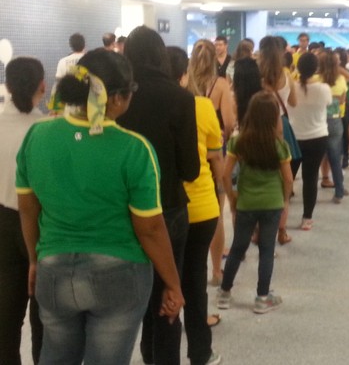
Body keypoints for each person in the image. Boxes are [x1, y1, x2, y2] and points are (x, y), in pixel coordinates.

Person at [17, 50, 184, 365]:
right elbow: (149, 228)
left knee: (55, 357)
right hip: (119, 275)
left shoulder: (37, 136)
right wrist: (174, 283)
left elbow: (28, 209)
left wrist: (34, 260)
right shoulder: (135, 149)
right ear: (117, 99)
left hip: (53, 267)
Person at [117, 25, 200, 365]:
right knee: (167, 295)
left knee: (126, 300)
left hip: (122, 212)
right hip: (168, 209)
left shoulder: (119, 97)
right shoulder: (180, 97)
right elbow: (190, 169)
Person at [168, 46, 223, 365]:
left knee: (166, 283)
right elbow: (216, 157)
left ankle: (162, 352)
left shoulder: (149, 107)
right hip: (202, 207)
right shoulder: (201, 106)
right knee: (195, 281)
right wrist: (222, 190)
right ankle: (200, 353)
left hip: (166, 210)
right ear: (185, 74)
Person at [217, 91, 293, 313]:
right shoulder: (280, 146)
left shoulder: (238, 142)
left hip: (246, 203)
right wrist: (285, 200)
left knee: (238, 248)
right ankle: (262, 297)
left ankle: (224, 292)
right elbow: (288, 178)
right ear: (274, 118)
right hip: (272, 204)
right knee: (267, 249)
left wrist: (232, 198)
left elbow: (225, 174)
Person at [0, 57, 45, 365]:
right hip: (43, 225)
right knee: (45, 316)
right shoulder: (49, 131)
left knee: (5, 316)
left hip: (3, 224)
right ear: (43, 86)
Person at [187, 39, 235, 287]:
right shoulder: (221, 85)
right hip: (214, 151)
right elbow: (227, 120)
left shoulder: (183, 85)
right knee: (216, 214)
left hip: (188, 152)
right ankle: (216, 271)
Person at [258, 36, 297, 244]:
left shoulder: (259, 76)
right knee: (284, 182)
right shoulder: (286, 75)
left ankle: (258, 230)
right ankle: (281, 230)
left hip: (261, 126)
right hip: (284, 127)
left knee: (261, 179)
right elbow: (294, 101)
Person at [289, 53, 331, 230]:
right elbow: (328, 104)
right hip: (317, 137)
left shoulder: (291, 87)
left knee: (286, 178)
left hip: (293, 138)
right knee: (310, 177)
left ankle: (279, 216)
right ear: (316, 69)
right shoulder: (323, 88)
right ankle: (307, 218)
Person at [318, 51, 348, 203]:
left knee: (313, 158)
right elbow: (342, 100)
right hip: (336, 120)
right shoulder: (341, 79)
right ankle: (339, 190)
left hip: (317, 120)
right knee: (335, 157)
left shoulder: (316, 79)